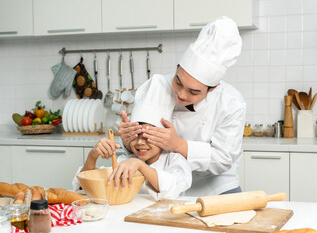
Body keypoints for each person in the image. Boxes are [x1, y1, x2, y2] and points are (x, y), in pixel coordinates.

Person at [118, 16, 246, 196]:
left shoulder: (232, 103)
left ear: (212, 88)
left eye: (193, 92)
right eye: (178, 82)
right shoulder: (157, 86)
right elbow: (139, 145)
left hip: (215, 186)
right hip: (163, 182)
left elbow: (223, 159)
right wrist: (127, 140)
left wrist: (178, 144)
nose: (181, 94)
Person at [72, 86, 192, 200]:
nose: (140, 142)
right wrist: (92, 156)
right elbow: (84, 187)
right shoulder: (125, 161)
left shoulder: (176, 161)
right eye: (135, 135)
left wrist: (139, 165)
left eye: (147, 135)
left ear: (164, 136)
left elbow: (173, 186)